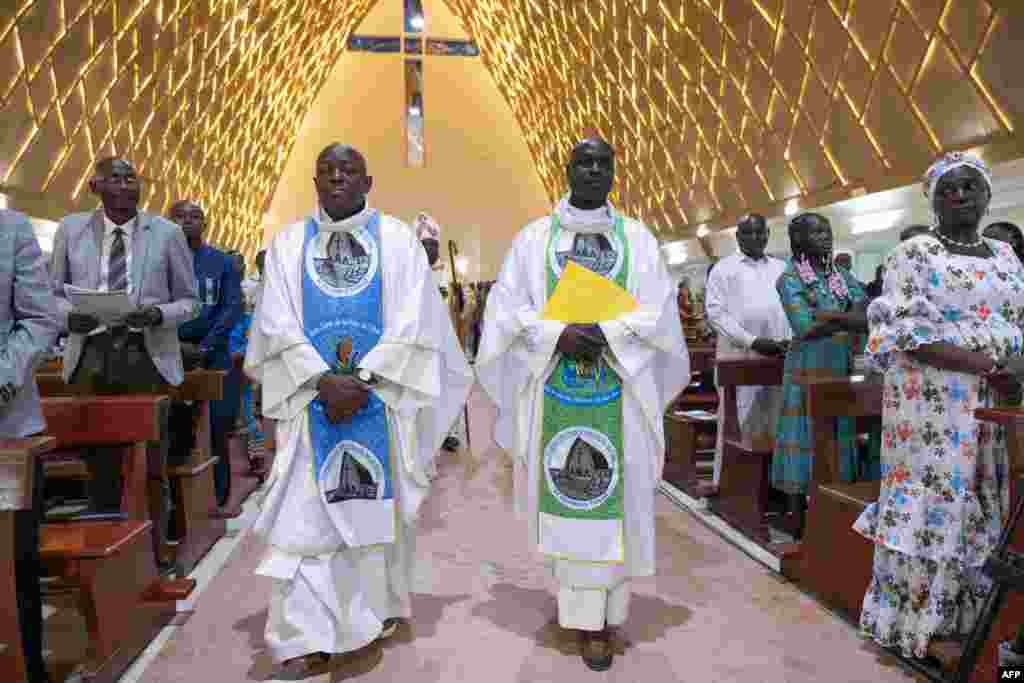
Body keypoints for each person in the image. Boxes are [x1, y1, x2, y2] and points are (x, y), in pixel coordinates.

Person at [245, 144, 472, 678]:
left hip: (380, 402)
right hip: (310, 403)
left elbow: (414, 320)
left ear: (368, 181)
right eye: (327, 170)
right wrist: (320, 379)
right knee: (305, 518)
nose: (337, 178)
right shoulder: (287, 246)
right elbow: (275, 321)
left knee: (372, 511)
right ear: (315, 181)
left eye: (348, 170)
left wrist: (365, 379)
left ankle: (369, 616)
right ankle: (302, 636)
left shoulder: (397, 242)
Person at [476, 137, 689, 671]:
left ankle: (608, 613)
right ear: (566, 169)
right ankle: (579, 614)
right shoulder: (533, 241)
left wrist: (606, 331)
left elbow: (658, 312)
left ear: (614, 172)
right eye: (583, 162)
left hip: (620, 395)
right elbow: (507, 311)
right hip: (556, 392)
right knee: (566, 499)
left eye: (603, 163)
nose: (593, 170)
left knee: (622, 495)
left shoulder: (637, 240)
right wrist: (557, 333)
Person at [855, 152, 1024, 661]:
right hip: (933, 401)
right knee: (936, 501)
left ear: (988, 195)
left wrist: (1013, 369)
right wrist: (986, 364)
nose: (961, 195)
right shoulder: (916, 252)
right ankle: (922, 622)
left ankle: (976, 618)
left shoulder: (1005, 255)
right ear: (931, 200)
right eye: (948, 189)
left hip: (997, 398)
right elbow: (909, 332)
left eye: (971, 186)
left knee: (986, 494)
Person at [49, 158, 198, 534]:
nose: (125, 185)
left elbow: (190, 301)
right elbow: (51, 296)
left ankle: (157, 549)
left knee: (149, 462)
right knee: (98, 461)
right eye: (114, 178)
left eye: (131, 178)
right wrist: (69, 318)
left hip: (145, 354)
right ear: (94, 187)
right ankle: (108, 551)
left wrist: (156, 314)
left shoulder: (166, 233)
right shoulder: (71, 229)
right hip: (91, 354)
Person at [771, 212, 869, 537]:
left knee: (840, 434)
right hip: (806, 369)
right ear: (798, 240)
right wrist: (843, 319)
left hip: (840, 367)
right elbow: (804, 328)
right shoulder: (790, 279)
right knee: (803, 435)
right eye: (815, 232)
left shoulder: (839, 274)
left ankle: (835, 508)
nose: (825, 236)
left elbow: (864, 310)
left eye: (826, 230)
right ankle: (796, 515)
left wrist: (829, 316)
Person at [2, 209, 63, 683]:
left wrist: (4, 377)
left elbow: (39, 320)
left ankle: (27, 671)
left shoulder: (13, 230)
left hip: (8, 428)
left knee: (13, 563)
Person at [704, 213, 790, 490]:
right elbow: (716, 314)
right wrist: (752, 341)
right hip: (739, 357)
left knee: (777, 419)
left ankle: (773, 486)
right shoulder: (723, 269)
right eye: (748, 233)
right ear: (738, 237)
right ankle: (729, 485)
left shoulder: (781, 267)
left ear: (767, 234)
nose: (755, 238)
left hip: (778, 355)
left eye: (760, 232)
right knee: (738, 419)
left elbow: (791, 307)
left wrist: (787, 340)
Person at [169, 200, 242, 509]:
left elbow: (231, 307)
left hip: (213, 356)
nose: (188, 222)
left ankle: (220, 497)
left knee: (217, 428)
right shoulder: (161, 261)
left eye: (195, 216)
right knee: (175, 431)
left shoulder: (221, 262)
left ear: (206, 223)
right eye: (180, 217)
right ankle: (179, 505)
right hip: (170, 355)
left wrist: (205, 346)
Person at [415, 212, 466, 452]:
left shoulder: (451, 274)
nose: (429, 249)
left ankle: (450, 432)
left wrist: (464, 299)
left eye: (432, 245)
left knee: (448, 385)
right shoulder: (411, 277)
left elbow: (465, 308)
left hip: (447, 341)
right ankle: (426, 432)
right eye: (424, 245)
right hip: (422, 343)